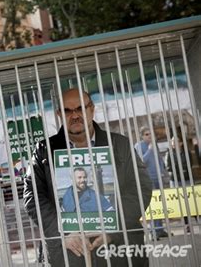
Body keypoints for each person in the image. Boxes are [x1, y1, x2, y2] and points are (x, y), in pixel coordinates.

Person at [23, 88, 152, 267]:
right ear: (59, 114)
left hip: (118, 251)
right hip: (66, 254)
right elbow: (33, 196)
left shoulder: (119, 144)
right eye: (68, 110)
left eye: (81, 108)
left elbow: (141, 187)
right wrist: (62, 234)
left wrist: (113, 228)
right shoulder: (44, 150)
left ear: (92, 109)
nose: (75, 115)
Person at [134, 126, 168, 239]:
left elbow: (159, 159)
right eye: (147, 134)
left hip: (159, 178)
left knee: (159, 205)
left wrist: (163, 171)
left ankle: (160, 230)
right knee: (152, 205)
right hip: (148, 179)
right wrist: (149, 150)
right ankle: (153, 231)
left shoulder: (155, 145)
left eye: (151, 134)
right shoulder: (139, 146)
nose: (149, 136)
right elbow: (141, 161)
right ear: (142, 136)